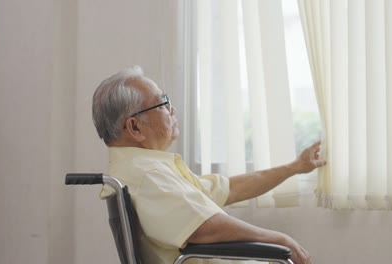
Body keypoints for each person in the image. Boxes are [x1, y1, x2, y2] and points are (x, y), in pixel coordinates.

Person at [92, 66, 326, 264]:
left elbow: (230, 188)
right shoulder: (147, 175)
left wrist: (294, 167)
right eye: (162, 103)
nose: (171, 109)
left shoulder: (145, 169)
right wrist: (280, 239)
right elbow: (205, 227)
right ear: (134, 128)